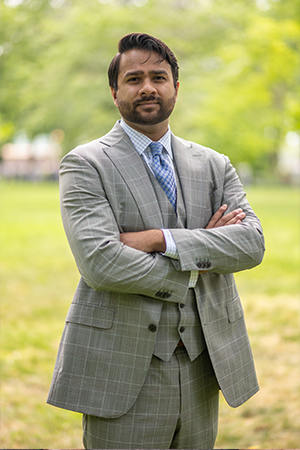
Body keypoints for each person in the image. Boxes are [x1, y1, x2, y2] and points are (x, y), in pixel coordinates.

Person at [47, 32, 265, 449]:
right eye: (133, 79)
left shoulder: (214, 165)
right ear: (115, 92)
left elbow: (251, 244)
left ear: (175, 88)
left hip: (205, 364)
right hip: (124, 367)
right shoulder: (85, 164)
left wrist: (158, 239)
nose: (147, 87)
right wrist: (203, 249)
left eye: (158, 77)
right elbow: (101, 262)